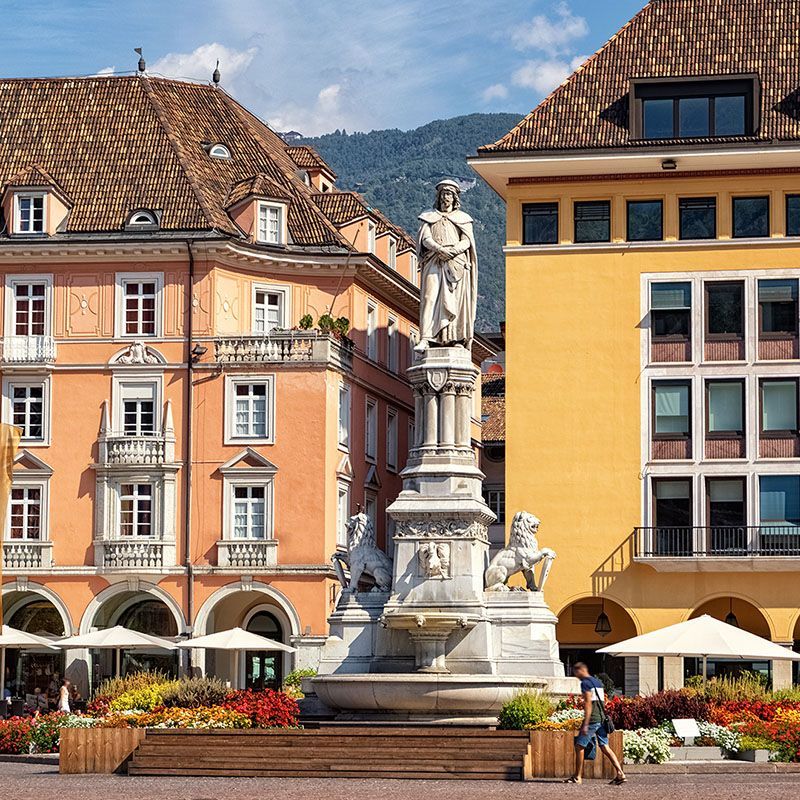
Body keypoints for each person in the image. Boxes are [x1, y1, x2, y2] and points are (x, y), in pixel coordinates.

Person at [565, 663, 626, 786]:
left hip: (593, 719)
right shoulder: (598, 682)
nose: (576, 676)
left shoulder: (585, 683)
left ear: (581, 670)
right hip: (602, 719)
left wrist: (586, 723)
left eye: (576, 673)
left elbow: (588, 703)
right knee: (605, 747)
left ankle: (577, 777)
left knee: (579, 746)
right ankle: (620, 773)